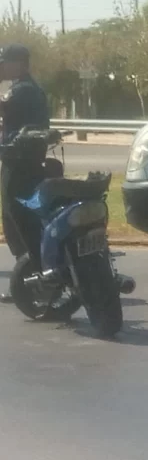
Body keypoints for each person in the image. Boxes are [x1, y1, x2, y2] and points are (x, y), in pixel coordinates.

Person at [0, 44, 50, 302]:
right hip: (21, 163)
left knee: (17, 220)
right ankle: (28, 276)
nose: (2, 66)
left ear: (19, 63)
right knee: (16, 219)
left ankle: (29, 277)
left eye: (5, 61)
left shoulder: (24, 91)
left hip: (21, 165)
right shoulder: (24, 88)